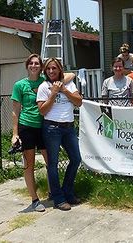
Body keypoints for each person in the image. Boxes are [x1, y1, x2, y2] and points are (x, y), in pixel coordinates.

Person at [11, 54, 75, 212]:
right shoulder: (19, 85)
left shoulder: (44, 82)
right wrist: (15, 133)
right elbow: (15, 111)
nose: (34, 66)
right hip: (27, 126)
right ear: (27, 66)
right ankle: (34, 199)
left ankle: (53, 192)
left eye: (37, 64)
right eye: (31, 63)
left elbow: (70, 74)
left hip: (45, 126)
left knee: (50, 162)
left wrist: (60, 85)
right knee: (29, 165)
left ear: (41, 68)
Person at [36, 58, 83, 211]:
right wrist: (53, 94)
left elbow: (79, 102)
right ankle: (58, 198)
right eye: (48, 69)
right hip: (52, 128)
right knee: (53, 164)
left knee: (76, 159)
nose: (51, 71)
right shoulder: (44, 87)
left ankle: (68, 191)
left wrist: (64, 90)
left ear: (59, 69)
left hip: (68, 127)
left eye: (54, 68)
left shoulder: (68, 83)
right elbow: (43, 111)